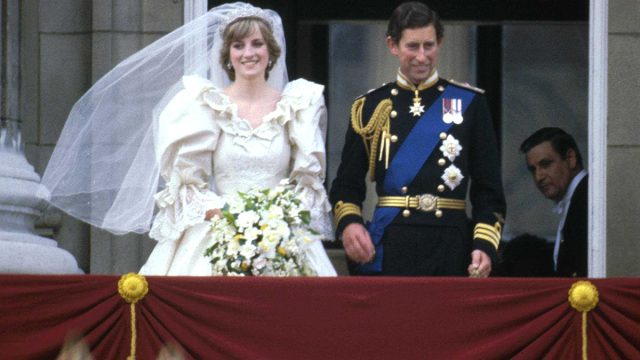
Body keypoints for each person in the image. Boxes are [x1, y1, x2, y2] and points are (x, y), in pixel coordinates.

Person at [39, 2, 336, 276]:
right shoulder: (202, 105)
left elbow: (307, 186)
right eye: (238, 45)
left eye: (257, 43)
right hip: (218, 230)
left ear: (270, 51)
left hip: (281, 236)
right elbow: (187, 186)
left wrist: (275, 221)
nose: (249, 53)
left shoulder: (298, 105)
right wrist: (229, 218)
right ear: (228, 55)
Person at [329, 2, 506, 277]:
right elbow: (346, 186)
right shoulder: (371, 106)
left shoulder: (468, 103)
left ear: (440, 43)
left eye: (429, 45)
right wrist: (350, 224)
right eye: (412, 46)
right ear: (393, 45)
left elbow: (489, 191)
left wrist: (484, 243)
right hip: (392, 243)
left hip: (451, 246)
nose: (422, 56)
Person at [520, 127, 587, 277]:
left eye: (545, 164)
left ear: (570, 158)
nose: (539, 177)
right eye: (533, 170)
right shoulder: (576, 198)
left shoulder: (588, 200)